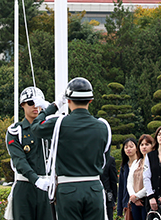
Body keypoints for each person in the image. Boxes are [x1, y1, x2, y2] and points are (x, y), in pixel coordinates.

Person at [31, 77, 112, 220]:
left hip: (68, 189)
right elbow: (104, 161)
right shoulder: (103, 126)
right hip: (94, 188)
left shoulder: (59, 123)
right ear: (90, 100)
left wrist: (53, 106)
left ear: (67, 100)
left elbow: (36, 127)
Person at [5, 86, 52, 220]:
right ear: (22, 105)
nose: (35, 107)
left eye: (39, 103)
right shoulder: (16, 131)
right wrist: (35, 180)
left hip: (46, 186)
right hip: (25, 186)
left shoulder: (51, 128)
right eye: (31, 103)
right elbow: (19, 160)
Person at [117, 137, 148, 220]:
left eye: (131, 146)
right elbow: (122, 187)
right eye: (126, 147)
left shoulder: (142, 163)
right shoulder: (124, 167)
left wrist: (136, 197)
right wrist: (120, 208)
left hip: (143, 199)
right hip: (129, 201)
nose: (128, 149)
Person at [101, 152, 118, 220]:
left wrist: (113, 199)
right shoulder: (89, 158)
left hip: (107, 194)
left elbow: (113, 180)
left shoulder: (109, 159)